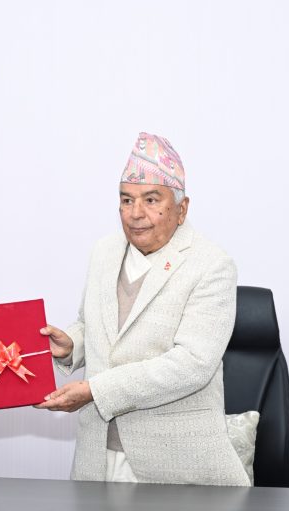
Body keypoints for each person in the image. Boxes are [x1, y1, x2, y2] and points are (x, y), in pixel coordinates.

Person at [36, 133, 250, 486]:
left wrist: (96, 390)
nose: (136, 214)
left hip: (176, 467)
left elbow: (192, 365)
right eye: (126, 200)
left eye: (151, 200)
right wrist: (72, 344)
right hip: (97, 457)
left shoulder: (211, 265)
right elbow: (95, 325)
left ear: (182, 209)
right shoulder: (104, 252)